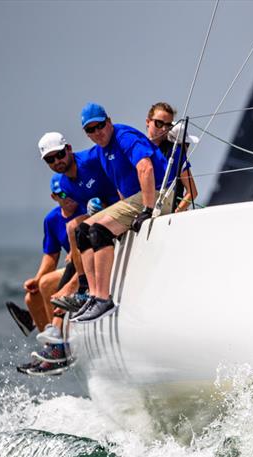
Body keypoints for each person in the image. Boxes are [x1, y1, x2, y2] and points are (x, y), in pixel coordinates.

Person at [71, 102, 171, 322]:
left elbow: (145, 167)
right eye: (91, 129)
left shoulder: (124, 136)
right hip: (137, 198)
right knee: (81, 231)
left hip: (158, 193)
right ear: (86, 133)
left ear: (109, 121)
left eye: (100, 126)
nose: (97, 132)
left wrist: (147, 209)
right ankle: (93, 295)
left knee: (99, 231)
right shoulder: (100, 151)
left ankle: (103, 299)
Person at [37, 131, 120, 310]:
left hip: (122, 205)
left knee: (78, 227)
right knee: (73, 227)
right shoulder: (65, 184)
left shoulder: (90, 159)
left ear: (68, 149)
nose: (57, 161)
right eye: (50, 160)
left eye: (59, 155)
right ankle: (84, 287)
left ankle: (82, 289)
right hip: (104, 214)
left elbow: (116, 161)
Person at [16, 175, 84, 376]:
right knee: (32, 296)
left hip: (84, 265)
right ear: (54, 197)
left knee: (46, 284)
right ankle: (51, 348)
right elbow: (51, 256)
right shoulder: (52, 219)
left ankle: (58, 348)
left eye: (70, 192)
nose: (68, 197)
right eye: (62, 194)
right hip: (71, 267)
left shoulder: (84, 210)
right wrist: (35, 279)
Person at [145, 102, 199, 212]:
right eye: (159, 123)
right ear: (148, 122)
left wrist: (176, 213)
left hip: (166, 212)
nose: (164, 129)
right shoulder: (136, 146)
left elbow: (192, 192)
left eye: (168, 126)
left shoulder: (176, 152)